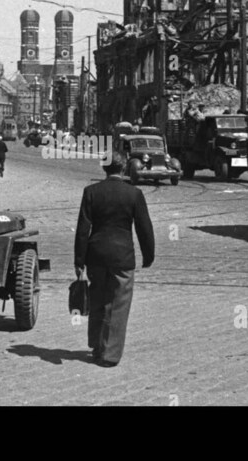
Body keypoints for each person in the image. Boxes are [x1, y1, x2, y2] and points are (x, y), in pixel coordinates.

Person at [74, 151, 154, 367]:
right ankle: (109, 354)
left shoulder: (91, 192)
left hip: (96, 256)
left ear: (103, 168)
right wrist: (148, 255)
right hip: (122, 257)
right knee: (118, 305)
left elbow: (83, 229)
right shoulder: (134, 194)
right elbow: (144, 228)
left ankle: (97, 345)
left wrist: (79, 260)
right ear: (124, 167)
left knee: (98, 300)